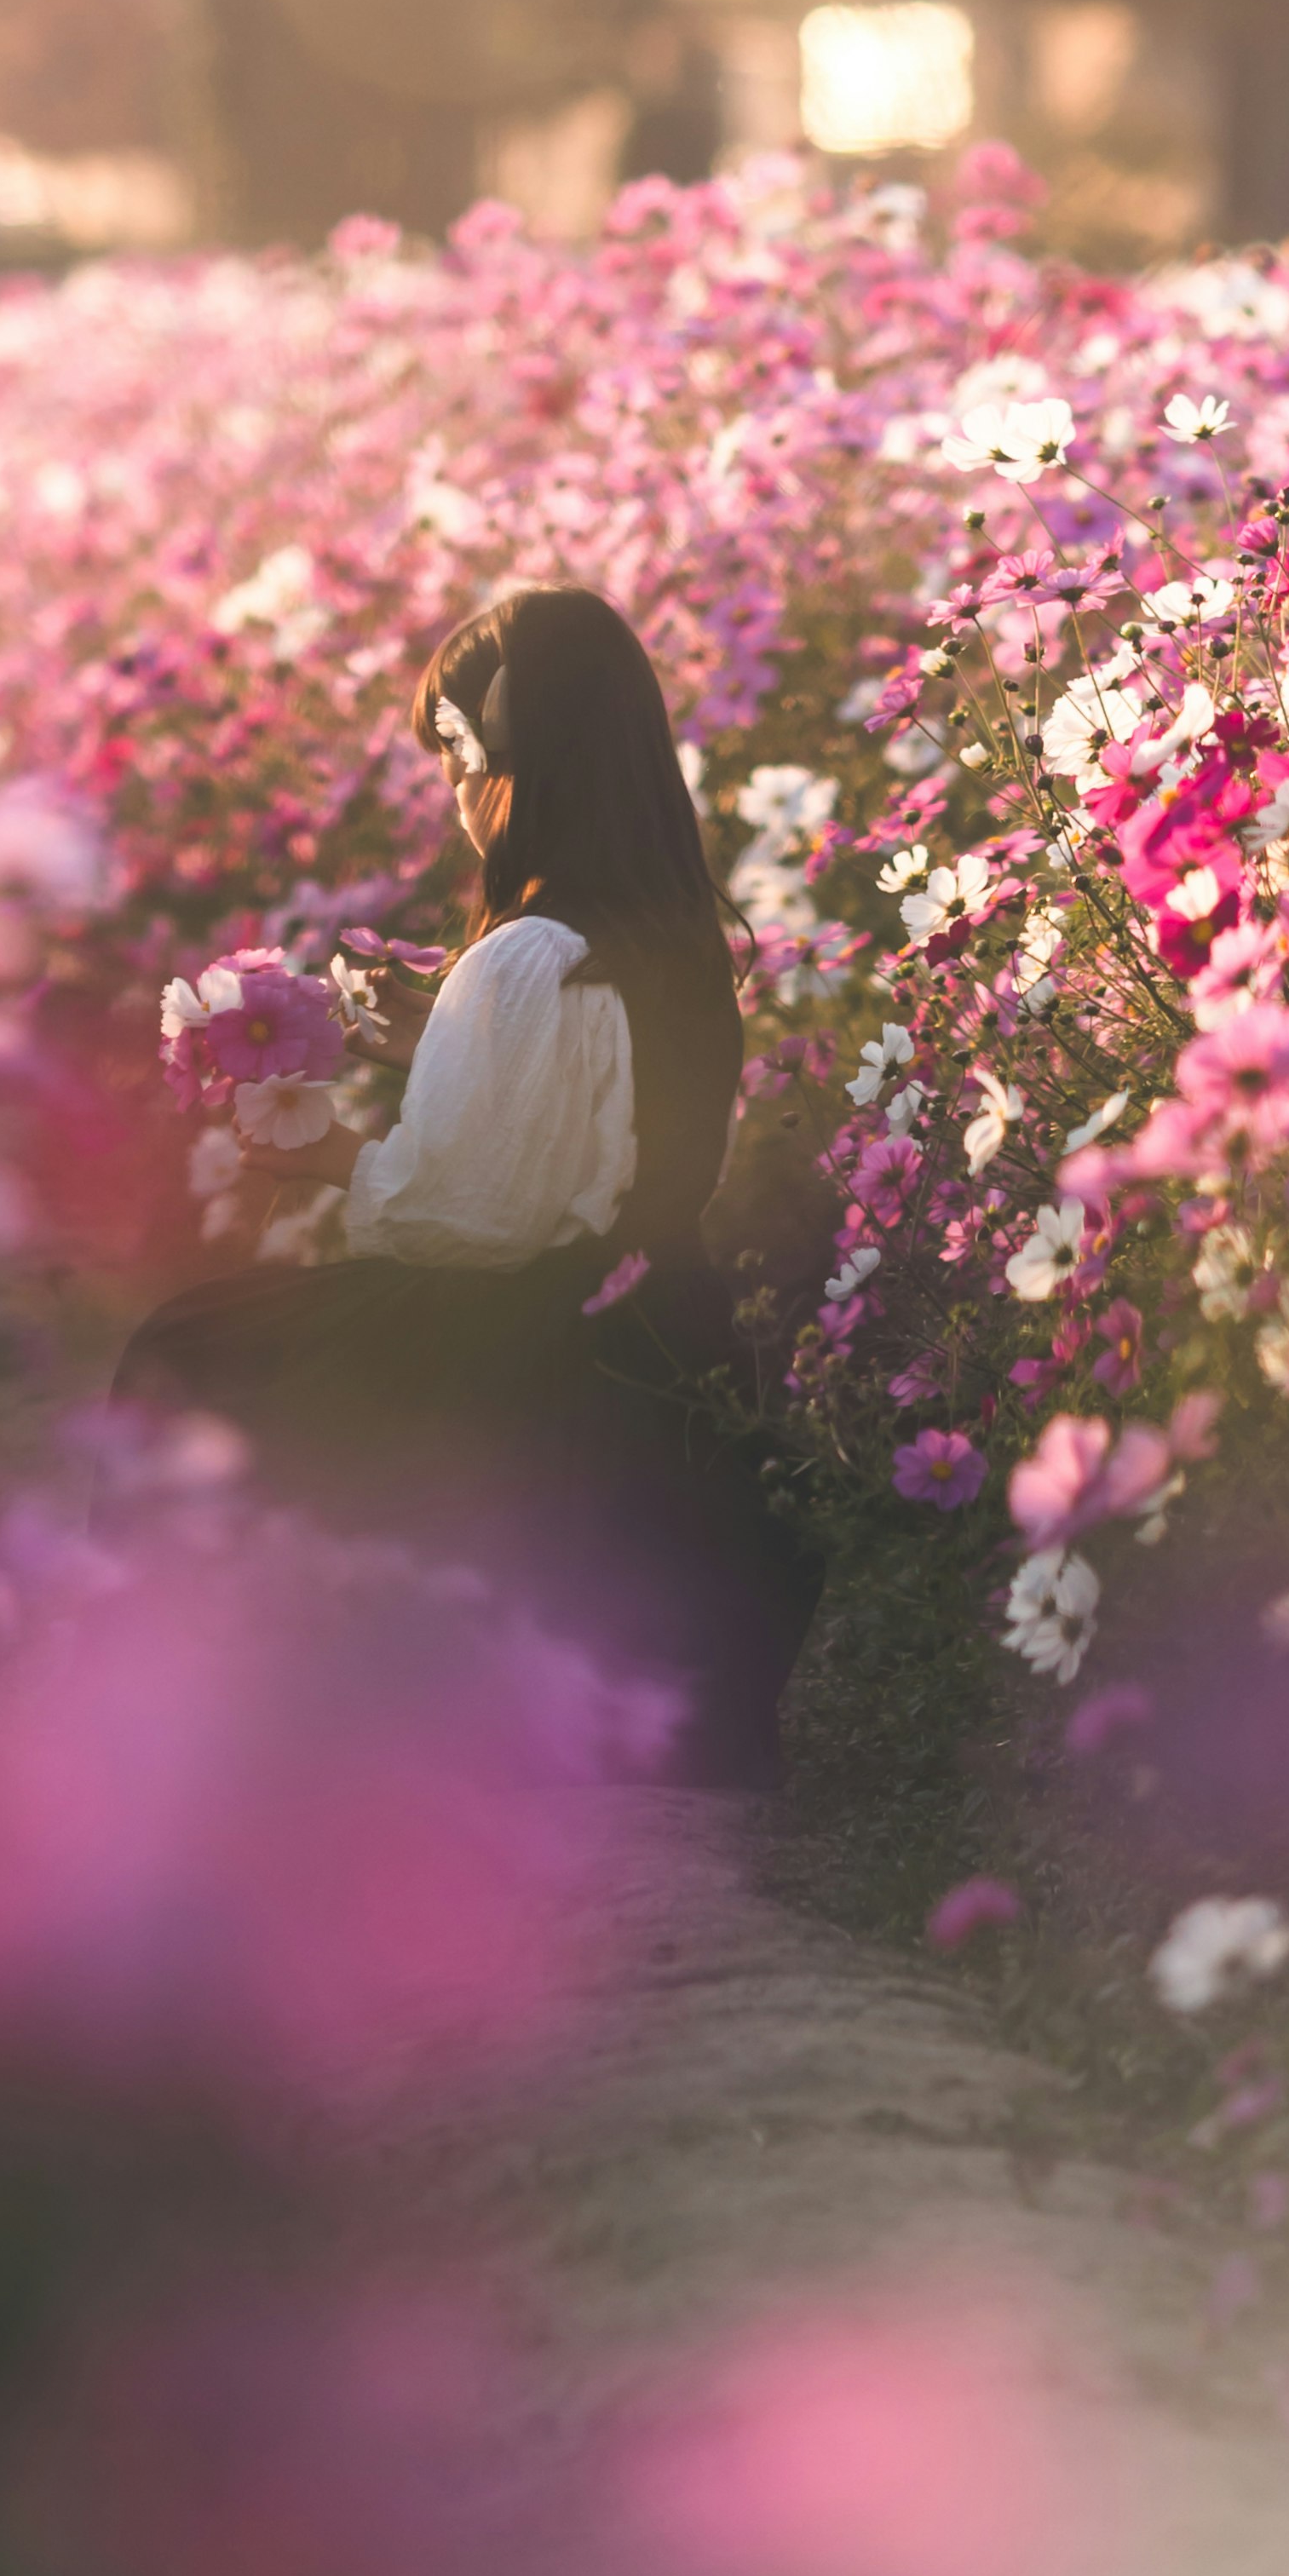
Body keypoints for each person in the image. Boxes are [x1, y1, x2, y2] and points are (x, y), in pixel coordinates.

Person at [115, 583, 820, 1786]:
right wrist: (428, 1044)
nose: (452, 790)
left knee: (191, 1350)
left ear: (528, 765)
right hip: (662, 1335)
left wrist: (323, 1153)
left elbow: (463, 1215)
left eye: (459, 753)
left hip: (535, 1348)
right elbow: (601, 1125)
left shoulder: (526, 954)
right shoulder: (665, 931)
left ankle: (198, 1730)